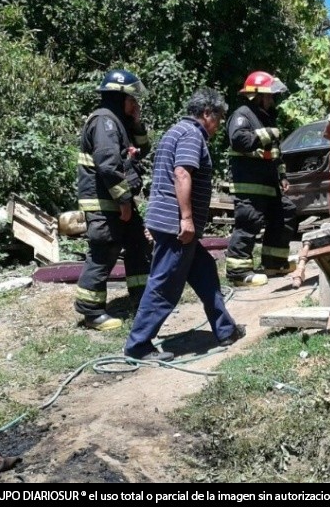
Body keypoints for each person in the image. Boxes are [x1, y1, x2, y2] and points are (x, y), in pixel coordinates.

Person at [124, 88, 245, 362]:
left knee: (204, 271)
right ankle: (138, 345)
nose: (220, 124)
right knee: (164, 285)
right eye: (219, 117)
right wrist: (187, 218)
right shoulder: (192, 135)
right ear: (206, 114)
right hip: (177, 226)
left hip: (168, 221)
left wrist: (156, 220)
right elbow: (180, 174)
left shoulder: (175, 131)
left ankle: (225, 329)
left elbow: (163, 177)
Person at [74, 69, 152, 331]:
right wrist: (124, 201)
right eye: (132, 99)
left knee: (138, 245)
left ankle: (142, 299)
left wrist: (137, 121)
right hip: (105, 202)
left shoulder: (119, 121)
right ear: (119, 97)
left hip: (117, 200)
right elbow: (107, 165)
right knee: (104, 252)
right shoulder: (105, 122)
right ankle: (91, 312)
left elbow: (145, 147)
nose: (135, 104)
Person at [224, 71, 299, 287]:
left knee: (285, 212)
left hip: (269, 184)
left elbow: (275, 153)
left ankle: (274, 263)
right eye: (270, 96)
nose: (272, 100)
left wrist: (282, 175)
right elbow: (239, 141)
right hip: (249, 184)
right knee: (249, 222)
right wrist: (267, 133)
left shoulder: (265, 116)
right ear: (257, 95)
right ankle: (239, 273)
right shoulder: (243, 115)